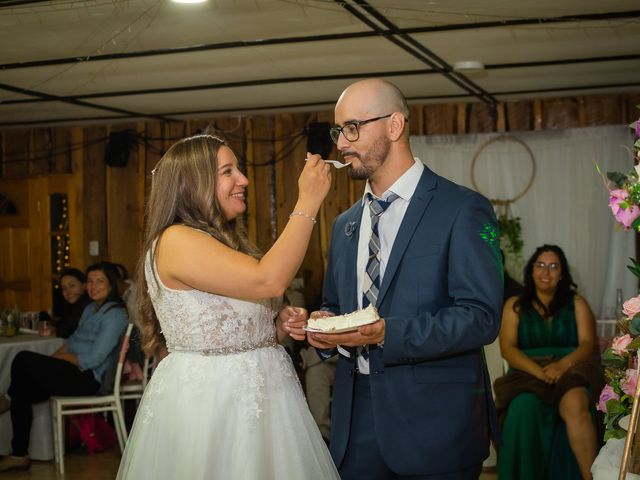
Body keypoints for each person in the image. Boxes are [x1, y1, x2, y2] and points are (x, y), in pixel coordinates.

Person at [306, 78, 503, 479]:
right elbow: (335, 307)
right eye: (338, 130)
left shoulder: (462, 209)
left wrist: (385, 334)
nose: (342, 143)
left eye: (353, 128)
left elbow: (481, 317)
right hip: (355, 421)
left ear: (395, 126)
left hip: (436, 426)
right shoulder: (345, 225)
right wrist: (320, 328)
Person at [116, 134, 339, 479]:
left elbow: (231, 328)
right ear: (194, 184)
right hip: (214, 407)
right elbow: (269, 280)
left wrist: (274, 327)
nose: (244, 180)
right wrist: (307, 202)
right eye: (227, 171)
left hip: (266, 402)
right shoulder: (176, 240)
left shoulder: (223, 242)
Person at [0, 262, 128, 473]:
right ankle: (18, 454)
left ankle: (8, 401)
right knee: (23, 387)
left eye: (100, 281)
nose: (93, 286)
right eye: (90, 281)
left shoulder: (115, 315)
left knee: (23, 358)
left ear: (111, 284)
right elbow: (71, 342)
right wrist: (53, 361)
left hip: (87, 379)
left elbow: (94, 358)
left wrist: (59, 361)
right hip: (73, 371)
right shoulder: (89, 308)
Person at [494, 244, 603, 480]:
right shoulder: (514, 305)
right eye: (540, 265)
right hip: (526, 375)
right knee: (523, 407)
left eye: (554, 266)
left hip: (572, 371)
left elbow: (587, 344)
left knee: (575, 403)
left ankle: (589, 477)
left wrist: (561, 367)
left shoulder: (577, 304)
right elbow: (508, 349)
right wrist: (540, 372)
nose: (546, 272)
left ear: (562, 273)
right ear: (531, 271)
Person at [52, 267, 92, 338]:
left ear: (84, 286)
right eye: (64, 288)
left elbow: (63, 332)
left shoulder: (86, 304)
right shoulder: (71, 305)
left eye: (72, 286)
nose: (68, 292)